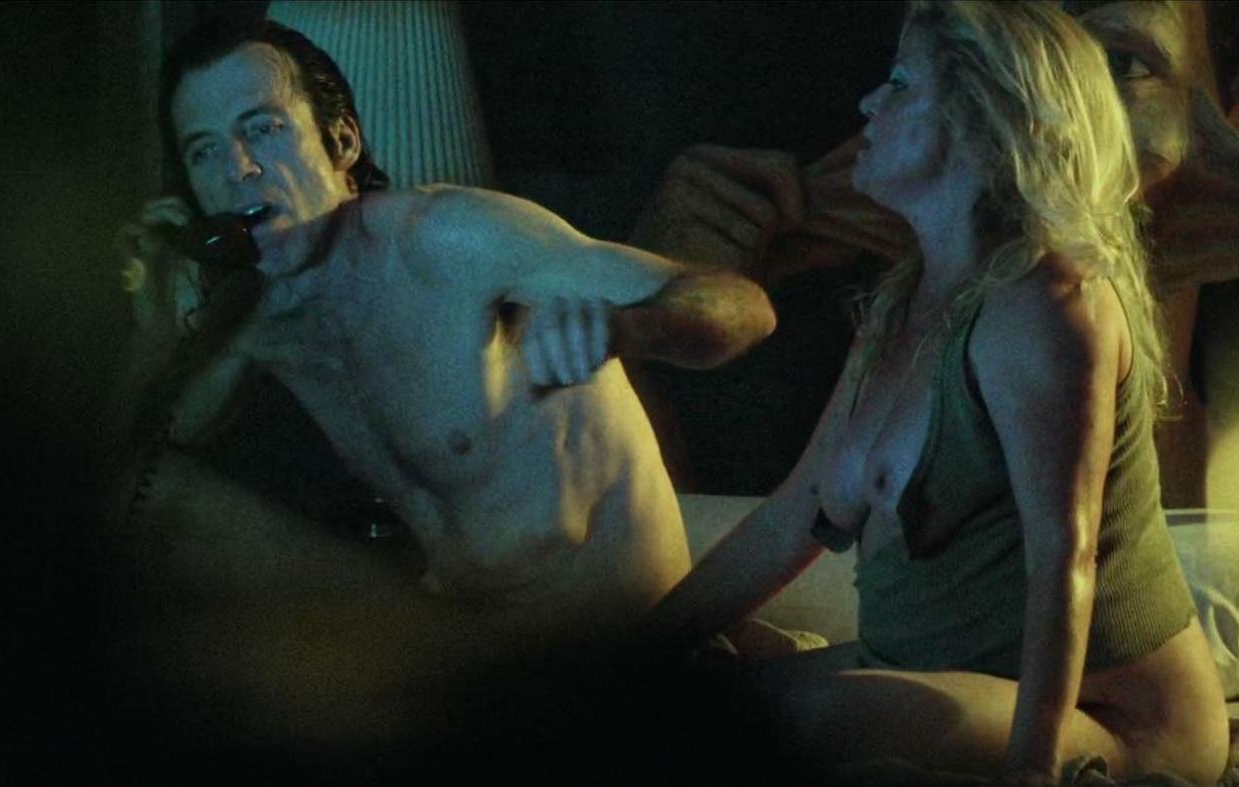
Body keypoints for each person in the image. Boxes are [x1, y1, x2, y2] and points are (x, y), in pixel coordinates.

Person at [102, 18, 776, 747]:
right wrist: (155, 331)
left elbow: (743, 306)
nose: (237, 170)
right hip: (464, 653)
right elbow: (145, 456)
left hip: (608, 652)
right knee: (145, 505)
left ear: (341, 143)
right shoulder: (253, 314)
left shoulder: (446, 239)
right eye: (204, 151)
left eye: (261, 129)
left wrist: (630, 329)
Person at [646, 3, 1228, 782]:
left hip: (1111, 724)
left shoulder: (1045, 305)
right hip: (935, 670)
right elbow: (792, 518)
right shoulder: (903, 305)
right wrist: (622, 657)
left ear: (983, 118)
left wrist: (1032, 770)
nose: (867, 105)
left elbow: (1064, 557)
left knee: (772, 727)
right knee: (680, 707)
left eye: (898, 83)